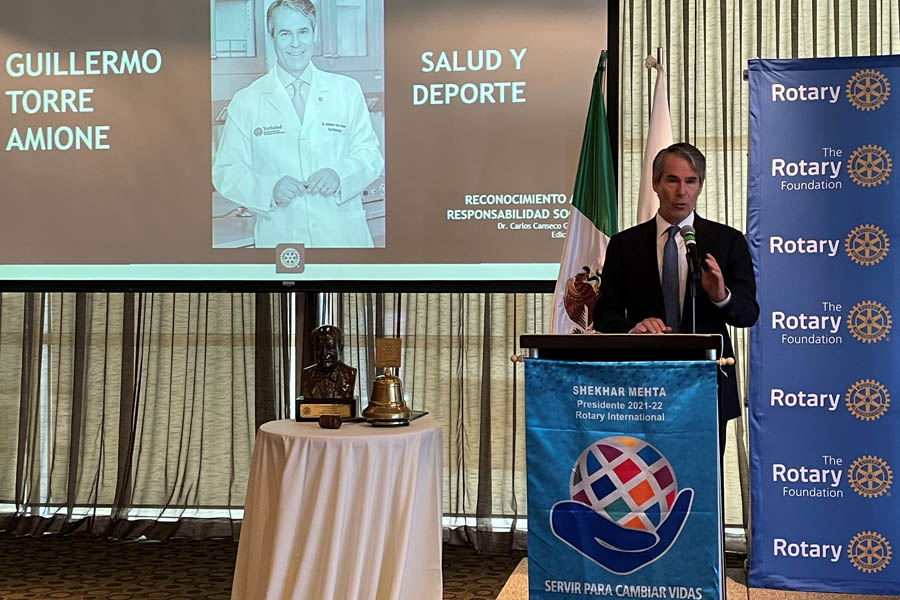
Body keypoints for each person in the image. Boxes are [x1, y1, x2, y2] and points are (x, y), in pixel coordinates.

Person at [593, 142, 759, 446]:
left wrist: (721, 295)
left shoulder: (727, 241)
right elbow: (604, 314)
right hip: (643, 387)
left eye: (690, 181)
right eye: (672, 180)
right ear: (655, 184)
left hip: (706, 385)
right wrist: (634, 327)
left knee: (705, 484)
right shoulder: (624, 245)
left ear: (699, 187)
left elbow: (748, 314)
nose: (681, 191)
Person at [213, 0, 383, 248]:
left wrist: (340, 175)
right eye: (285, 33)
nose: (295, 43)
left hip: (344, 239)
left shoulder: (346, 90)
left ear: (314, 34)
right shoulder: (247, 101)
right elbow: (226, 172)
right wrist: (269, 189)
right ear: (272, 38)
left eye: (303, 32)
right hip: (282, 242)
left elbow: (370, 156)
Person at [301, 325, 357, 399]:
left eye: (330, 347)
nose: (324, 353)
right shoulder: (307, 374)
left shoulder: (349, 374)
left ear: (340, 349)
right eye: (319, 348)